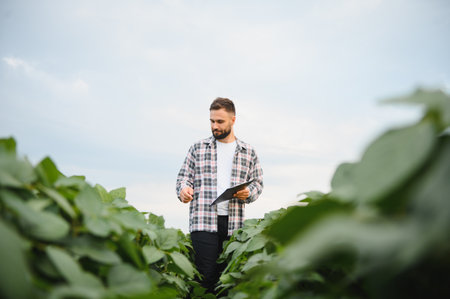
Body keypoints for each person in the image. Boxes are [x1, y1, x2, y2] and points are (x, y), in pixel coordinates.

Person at [176, 97, 263, 294]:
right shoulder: (197, 148)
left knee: (227, 282)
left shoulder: (248, 152)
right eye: (212, 121)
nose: (215, 126)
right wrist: (184, 190)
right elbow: (183, 179)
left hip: (234, 226)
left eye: (220, 121)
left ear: (233, 120)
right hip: (203, 222)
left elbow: (258, 183)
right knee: (204, 279)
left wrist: (248, 192)